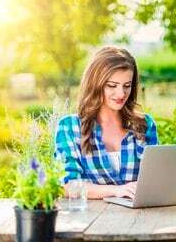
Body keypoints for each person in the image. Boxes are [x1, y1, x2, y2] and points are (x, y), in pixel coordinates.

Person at [54, 46, 158, 200]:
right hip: (92, 219)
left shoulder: (144, 125)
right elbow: (68, 186)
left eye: (127, 86)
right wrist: (116, 190)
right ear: (95, 84)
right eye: (112, 86)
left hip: (139, 216)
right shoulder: (70, 127)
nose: (121, 94)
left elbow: (155, 179)